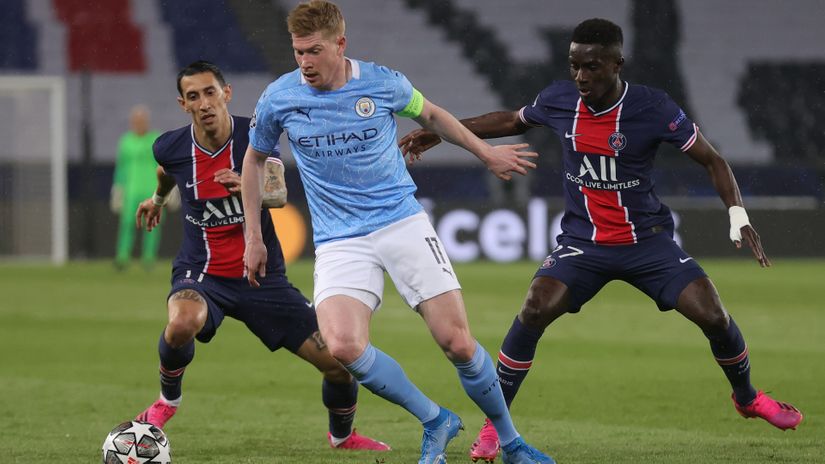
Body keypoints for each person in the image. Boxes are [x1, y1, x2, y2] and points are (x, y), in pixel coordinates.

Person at [399, 18, 803, 463]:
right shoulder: (559, 99)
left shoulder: (653, 108)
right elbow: (511, 120)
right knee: (533, 308)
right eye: (575, 66)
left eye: (591, 66)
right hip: (583, 245)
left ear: (616, 64)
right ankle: (496, 428)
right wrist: (440, 131)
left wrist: (738, 214)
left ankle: (747, 399)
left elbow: (712, 159)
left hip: (647, 242)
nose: (581, 76)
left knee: (714, 316)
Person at [240, 2, 554, 464]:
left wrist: (486, 153)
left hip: (400, 222)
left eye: (314, 51)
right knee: (343, 345)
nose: (304, 62)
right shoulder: (280, 97)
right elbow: (253, 159)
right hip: (339, 239)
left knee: (458, 343)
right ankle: (435, 419)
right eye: (298, 52)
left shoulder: (382, 82)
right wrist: (254, 235)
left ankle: (510, 441)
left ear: (340, 44)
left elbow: (432, 116)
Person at [133, 60, 389, 452]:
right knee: (183, 321)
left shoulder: (256, 136)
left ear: (227, 93)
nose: (204, 103)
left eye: (210, 92)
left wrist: (245, 188)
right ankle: (168, 400)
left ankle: (343, 436)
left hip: (262, 277)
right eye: (193, 96)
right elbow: (166, 170)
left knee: (338, 363)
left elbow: (279, 194)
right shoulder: (170, 146)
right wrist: (156, 200)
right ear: (183, 104)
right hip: (203, 273)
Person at [111, 105, 162, 270]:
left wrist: (170, 189)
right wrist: (118, 189)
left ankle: (148, 258)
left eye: (142, 120)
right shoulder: (126, 141)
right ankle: (123, 257)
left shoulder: (156, 139)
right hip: (130, 189)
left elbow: (164, 166)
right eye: (136, 121)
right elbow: (121, 167)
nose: (139, 124)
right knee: (127, 223)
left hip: (152, 188)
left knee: (153, 224)